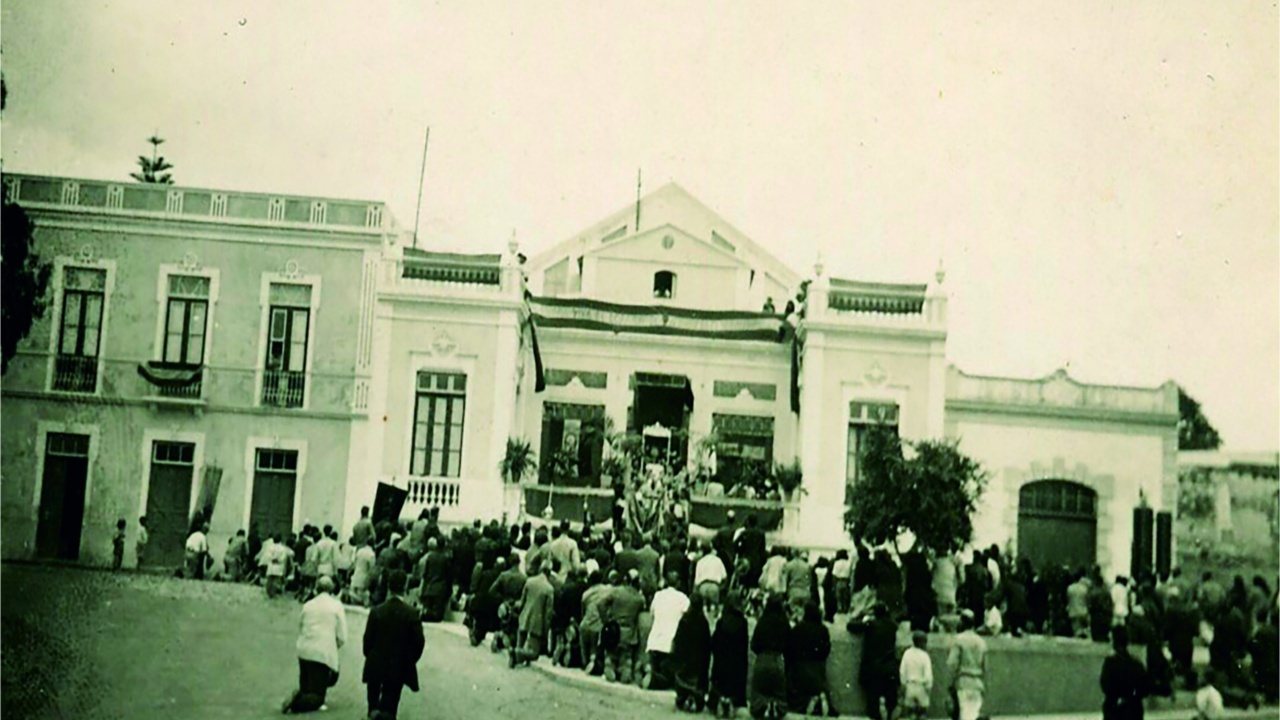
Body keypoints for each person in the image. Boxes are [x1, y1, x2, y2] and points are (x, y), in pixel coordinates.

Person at [363, 570, 424, 720]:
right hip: (398, 664)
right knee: (390, 704)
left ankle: (373, 712)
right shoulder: (412, 613)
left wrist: (370, 655)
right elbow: (419, 642)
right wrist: (409, 659)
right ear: (405, 588)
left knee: (373, 701)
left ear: (389, 587)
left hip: (376, 662)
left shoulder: (376, 611)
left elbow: (367, 640)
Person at [283, 576, 347, 714]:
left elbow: (301, 626)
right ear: (332, 589)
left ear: (316, 588)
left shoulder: (308, 605)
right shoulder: (336, 606)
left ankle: (302, 693)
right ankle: (298, 702)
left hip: (304, 649)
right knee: (318, 697)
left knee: (306, 684)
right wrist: (334, 646)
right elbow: (342, 635)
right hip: (322, 652)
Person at [672, 585, 716, 713]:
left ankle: (683, 696)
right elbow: (707, 646)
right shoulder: (703, 623)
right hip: (698, 667)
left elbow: (678, 641)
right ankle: (696, 697)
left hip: (684, 666)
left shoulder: (685, 620)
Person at [644, 570, 691, 690]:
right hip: (671, 643)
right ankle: (655, 679)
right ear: (678, 583)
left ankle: (651, 675)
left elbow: (652, 613)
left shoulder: (658, 595)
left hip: (655, 639)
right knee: (669, 677)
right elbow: (688, 617)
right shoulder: (683, 598)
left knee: (658, 668)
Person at [710, 587, 750, 718]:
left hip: (721, 668)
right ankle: (732, 701)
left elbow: (714, 644)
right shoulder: (742, 623)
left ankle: (720, 699)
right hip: (736, 669)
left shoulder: (721, 622)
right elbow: (744, 648)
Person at [786, 602, 832, 715]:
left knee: (796, 697)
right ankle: (819, 698)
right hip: (817, 670)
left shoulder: (798, 628)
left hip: (800, 669)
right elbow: (826, 649)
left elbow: (789, 649)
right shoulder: (822, 629)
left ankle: (808, 703)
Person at [602, 569, 646, 684]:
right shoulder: (639, 598)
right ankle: (625, 673)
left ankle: (609, 666)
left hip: (613, 629)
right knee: (626, 657)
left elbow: (601, 603)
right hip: (629, 632)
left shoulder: (616, 592)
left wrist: (605, 620)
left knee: (610, 653)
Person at [750, 596, 790, 719]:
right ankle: (777, 706)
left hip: (762, 659)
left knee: (758, 693)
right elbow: (790, 645)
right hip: (778, 660)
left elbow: (753, 645)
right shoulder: (784, 622)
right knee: (779, 693)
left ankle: (763, 705)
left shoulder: (762, 621)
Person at [858, 602, 899, 720]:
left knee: (873, 704)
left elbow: (851, 626)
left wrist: (863, 618)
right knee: (891, 702)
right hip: (889, 668)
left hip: (873, 669)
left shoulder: (871, 625)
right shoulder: (892, 626)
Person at [512, 559, 555, 667]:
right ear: (549, 572)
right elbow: (548, 613)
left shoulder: (530, 581)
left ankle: (516, 655)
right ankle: (516, 653)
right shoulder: (549, 589)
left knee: (520, 643)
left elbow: (522, 602)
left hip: (524, 617)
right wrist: (546, 630)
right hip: (537, 622)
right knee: (534, 653)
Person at [948, 610, 988, 720]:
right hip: (977, 684)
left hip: (963, 683)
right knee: (973, 714)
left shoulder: (958, 640)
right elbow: (985, 667)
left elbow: (952, 664)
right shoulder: (981, 642)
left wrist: (950, 684)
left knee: (965, 715)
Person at [1100, 625, 1147, 720]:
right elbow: (1145, 687)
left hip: (1115, 709)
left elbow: (1105, 685)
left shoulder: (1110, 663)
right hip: (1134, 709)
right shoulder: (1136, 663)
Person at [579, 571, 613, 675]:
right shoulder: (607, 590)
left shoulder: (586, 594)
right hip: (598, 626)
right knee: (595, 650)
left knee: (585, 651)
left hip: (584, 624)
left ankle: (585, 664)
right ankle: (594, 663)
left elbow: (583, 611)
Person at [899, 631, 933, 720]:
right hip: (921, 686)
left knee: (911, 713)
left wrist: (903, 684)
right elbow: (928, 675)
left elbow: (902, 671)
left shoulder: (907, 653)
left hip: (910, 685)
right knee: (922, 712)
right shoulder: (925, 656)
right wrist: (928, 688)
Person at [350, 539, 377, 606]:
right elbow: (371, 569)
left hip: (356, 576)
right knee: (363, 600)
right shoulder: (371, 554)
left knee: (354, 599)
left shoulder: (360, 551)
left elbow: (354, 563)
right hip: (364, 578)